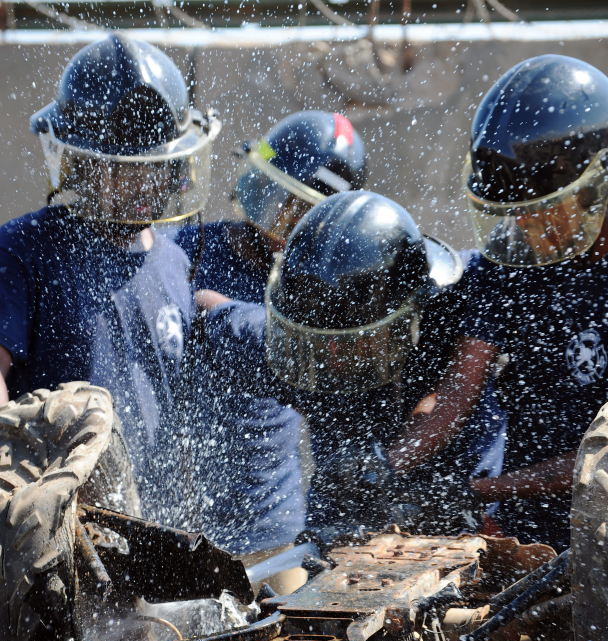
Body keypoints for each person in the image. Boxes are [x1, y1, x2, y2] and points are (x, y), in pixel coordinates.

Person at [387, 54, 608, 551]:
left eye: (543, 213)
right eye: (514, 215)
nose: (525, 229)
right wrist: (385, 467)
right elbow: (457, 395)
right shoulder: (515, 261)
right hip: (525, 530)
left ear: (604, 186)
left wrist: (478, 489)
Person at [0, 34, 225, 530]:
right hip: (54, 524)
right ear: (79, 163)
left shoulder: (172, 261)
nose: (144, 186)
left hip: (145, 528)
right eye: (124, 173)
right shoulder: (23, 250)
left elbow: (173, 412)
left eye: (155, 169)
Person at [190, 189, 469, 544]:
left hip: (458, 524)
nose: (332, 354)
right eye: (322, 344)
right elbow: (207, 310)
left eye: (348, 343)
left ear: (401, 319)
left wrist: (386, 464)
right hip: (339, 530)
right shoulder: (296, 350)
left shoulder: (455, 320)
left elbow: (448, 401)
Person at [172, 112, 366, 561]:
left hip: (271, 527)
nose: (281, 223)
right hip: (180, 522)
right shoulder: (186, 249)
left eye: (301, 215)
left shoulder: (320, 288)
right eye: (278, 201)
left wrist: (223, 312)